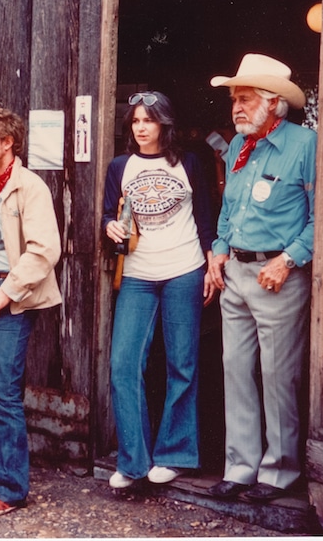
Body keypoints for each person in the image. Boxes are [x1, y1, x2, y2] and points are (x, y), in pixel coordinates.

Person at [206, 54, 316, 502]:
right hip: (237, 272)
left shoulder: (304, 144)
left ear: (274, 103)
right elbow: (231, 209)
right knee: (235, 371)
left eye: (245, 97)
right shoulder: (238, 146)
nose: (236, 106)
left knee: (277, 375)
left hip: (278, 278)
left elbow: (317, 216)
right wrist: (217, 249)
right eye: (234, 98)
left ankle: (279, 471)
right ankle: (240, 466)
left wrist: (288, 260)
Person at [101, 91, 216, 490]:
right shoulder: (120, 166)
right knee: (123, 364)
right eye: (135, 121)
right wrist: (107, 226)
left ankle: (176, 454)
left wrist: (210, 264)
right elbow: (107, 213)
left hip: (185, 269)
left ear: (164, 124)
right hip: (137, 273)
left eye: (149, 120)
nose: (142, 127)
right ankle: (132, 461)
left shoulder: (190, 163)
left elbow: (206, 218)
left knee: (181, 364)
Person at [0, 107, 62, 518]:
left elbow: (44, 251)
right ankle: (4, 466)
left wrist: (7, 289)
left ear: (8, 143)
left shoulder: (29, 187)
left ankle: (12, 487)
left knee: (3, 389)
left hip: (13, 295)